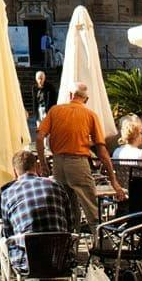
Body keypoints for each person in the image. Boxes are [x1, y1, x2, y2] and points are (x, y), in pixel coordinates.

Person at [37, 83, 119, 226]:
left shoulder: (55, 111)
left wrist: (43, 164)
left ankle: (70, 243)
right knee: (90, 207)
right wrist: (113, 180)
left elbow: (39, 138)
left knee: (67, 207)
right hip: (77, 162)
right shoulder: (90, 115)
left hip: (57, 164)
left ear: (70, 96)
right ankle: (101, 243)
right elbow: (102, 151)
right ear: (86, 100)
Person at [0, 149, 74, 273]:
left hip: (27, 262)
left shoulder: (7, 193)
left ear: (15, 171)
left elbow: (8, 231)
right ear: (37, 167)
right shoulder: (56, 186)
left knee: (2, 243)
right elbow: (70, 223)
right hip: (60, 260)